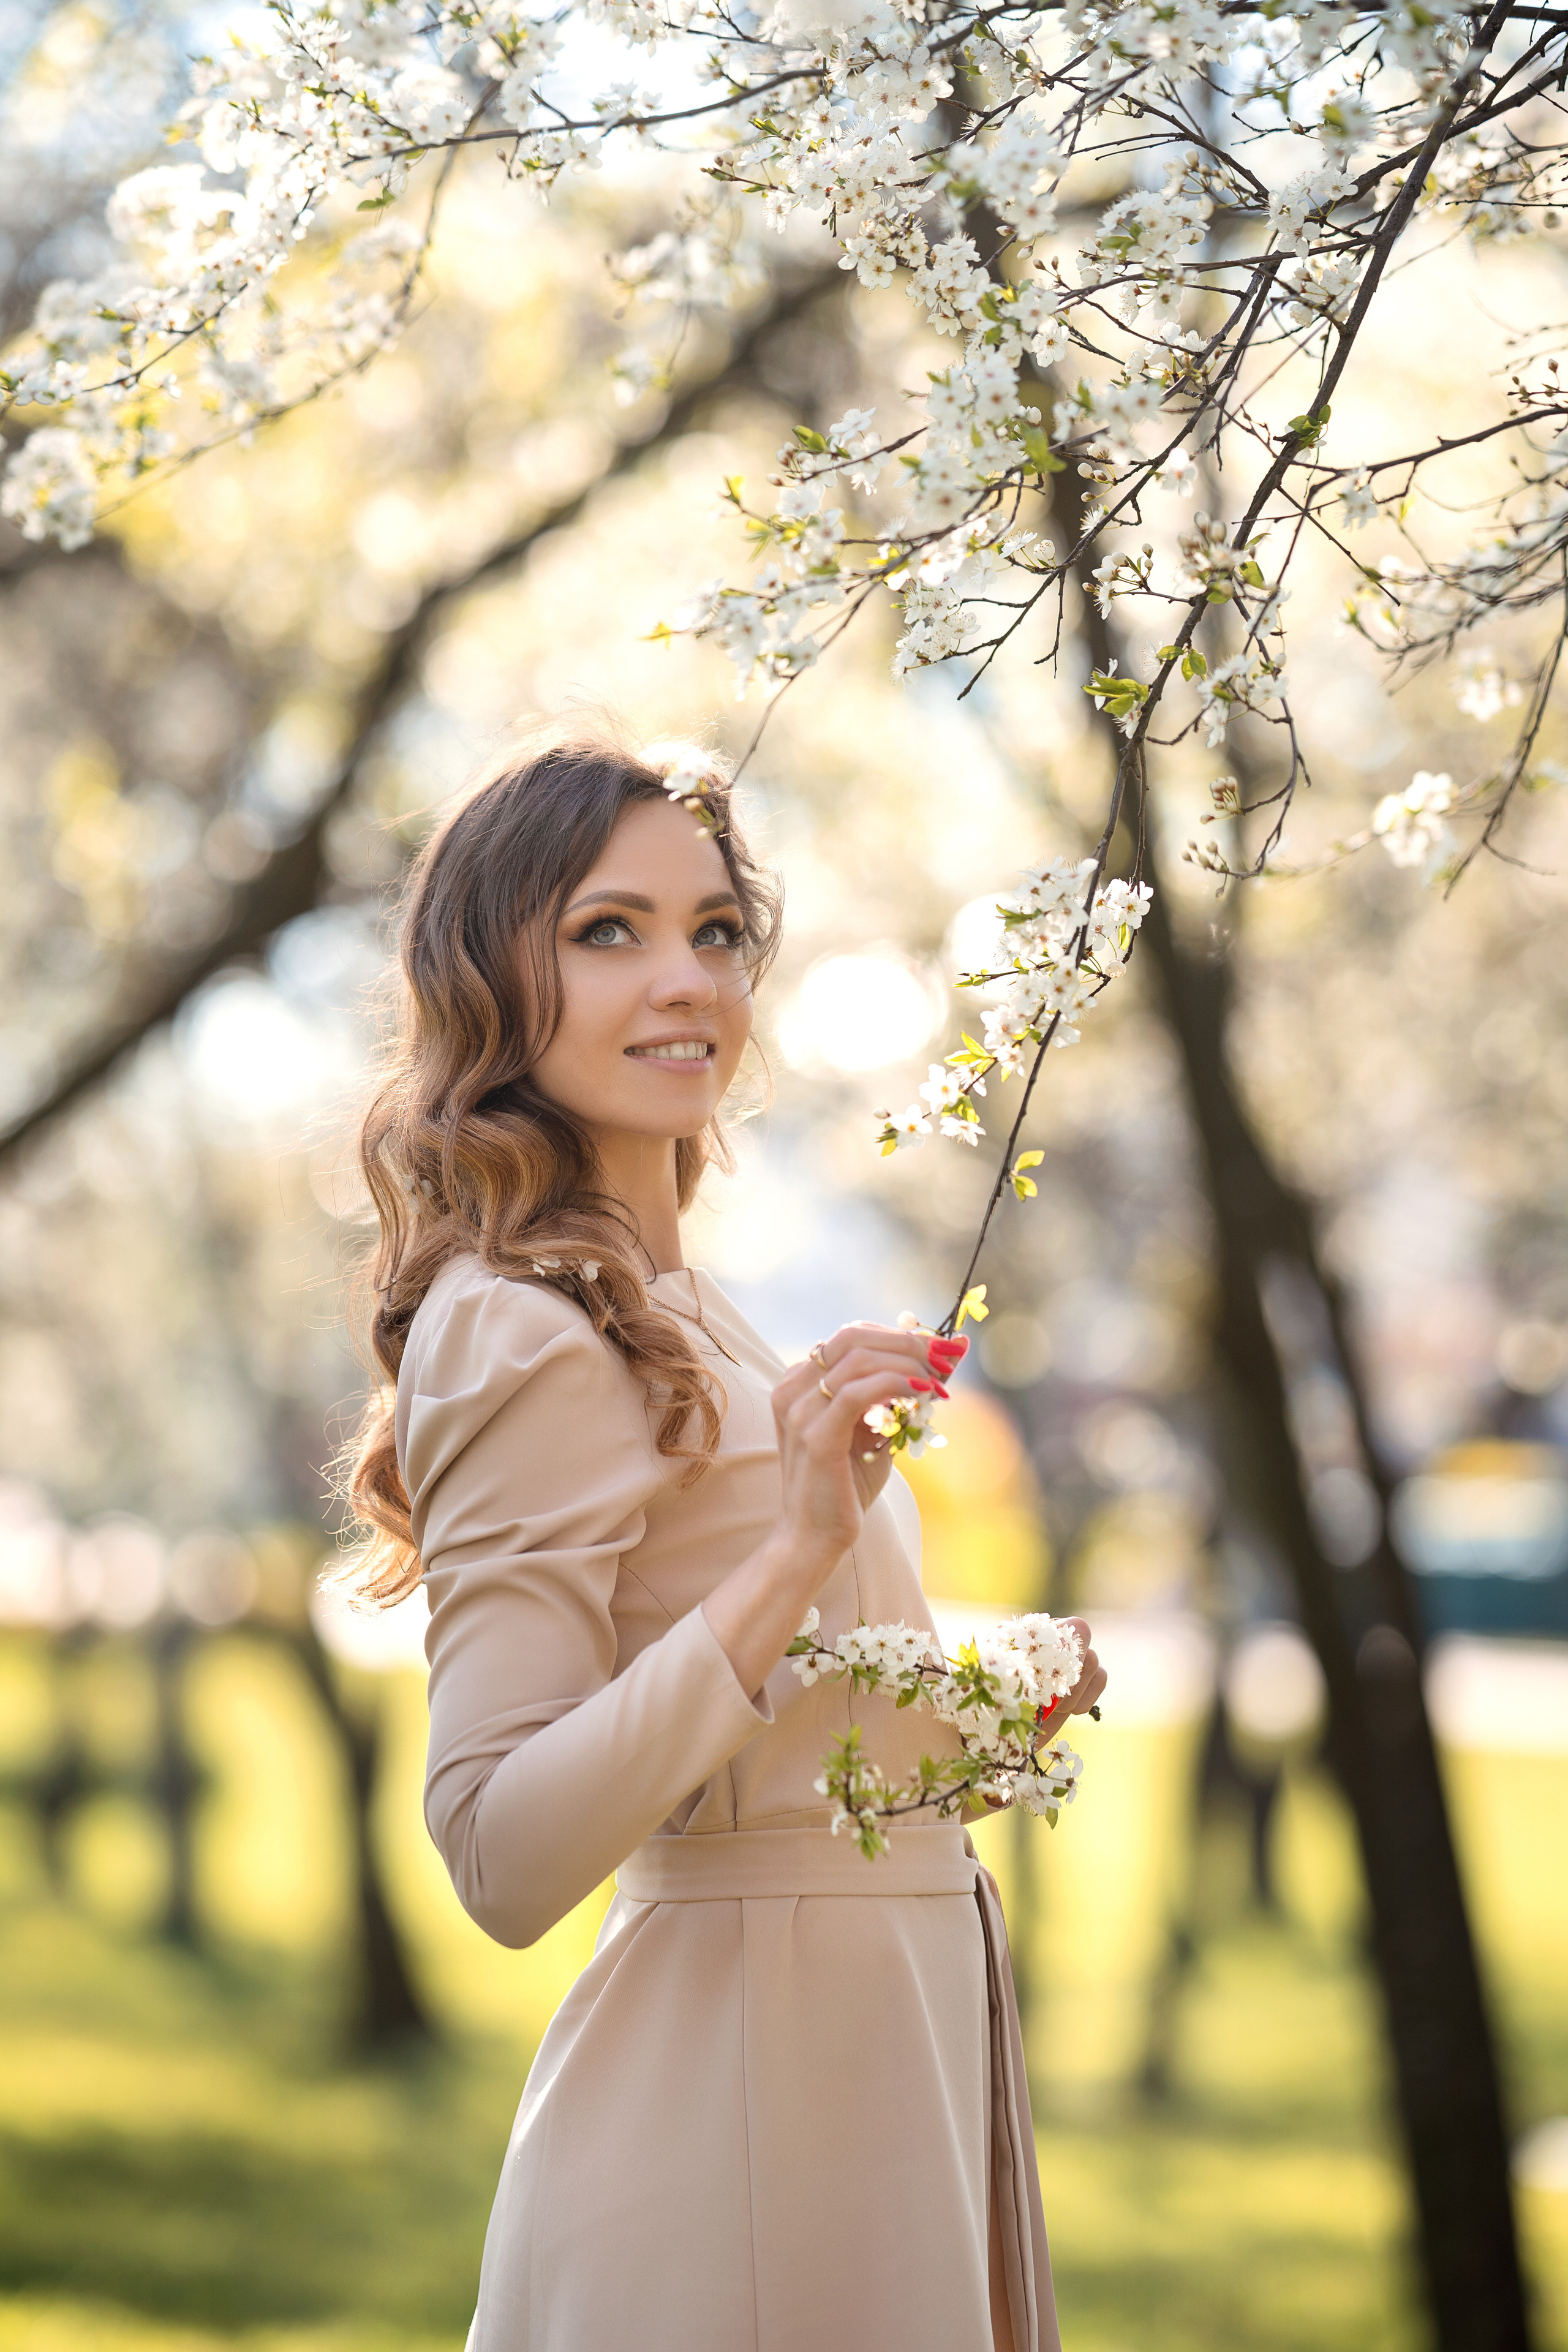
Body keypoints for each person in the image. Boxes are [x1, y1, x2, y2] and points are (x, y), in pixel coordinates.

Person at [341, 726, 1107, 2352]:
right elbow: (502, 1846)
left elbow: (766, 1722)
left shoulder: (686, 1307)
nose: (685, 978)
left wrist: (997, 1692)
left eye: (715, 930)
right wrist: (795, 1553)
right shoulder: (519, 1328)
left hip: (877, 2084)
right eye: (608, 931)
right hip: (734, 2145)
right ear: (492, 981)